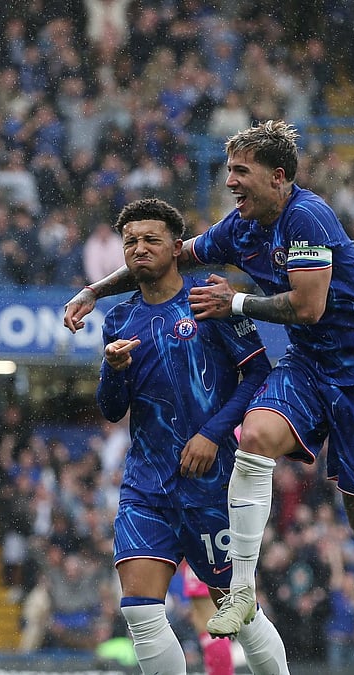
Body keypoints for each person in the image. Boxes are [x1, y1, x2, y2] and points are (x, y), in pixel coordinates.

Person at [64, 122, 354, 675]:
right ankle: (241, 589)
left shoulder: (307, 217)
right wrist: (94, 290)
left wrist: (238, 304)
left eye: (241, 173)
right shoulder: (239, 229)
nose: (230, 184)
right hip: (308, 364)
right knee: (256, 436)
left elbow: (311, 306)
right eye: (229, 172)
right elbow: (171, 256)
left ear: (278, 177)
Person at [93, 197, 287, 674]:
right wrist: (112, 371)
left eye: (151, 239)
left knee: (237, 611)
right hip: (147, 484)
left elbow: (259, 373)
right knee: (139, 609)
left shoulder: (211, 300)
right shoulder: (119, 320)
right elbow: (112, 409)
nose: (139, 248)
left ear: (177, 248)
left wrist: (213, 434)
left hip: (212, 483)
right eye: (131, 241)